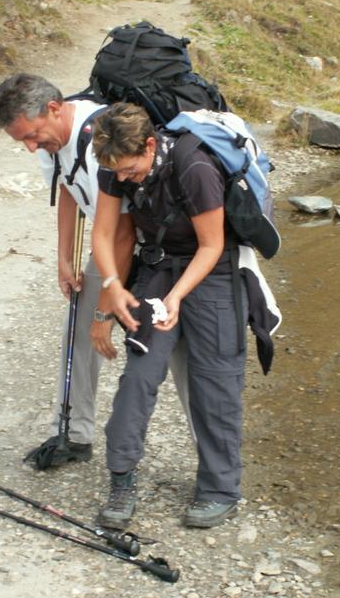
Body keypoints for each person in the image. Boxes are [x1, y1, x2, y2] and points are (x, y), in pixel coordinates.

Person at [0, 74, 191, 466]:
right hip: (109, 245)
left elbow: (122, 232)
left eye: (32, 135)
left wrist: (104, 312)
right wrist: (64, 259)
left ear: (53, 108)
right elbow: (66, 189)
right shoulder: (53, 143)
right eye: (23, 141)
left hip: (158, 253)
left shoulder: (101, 136)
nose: (31, 146)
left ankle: (216, 470)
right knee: (78, 338)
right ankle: (74, 435)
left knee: (179, 355)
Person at [91, 102, 250, 529]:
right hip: (159, 267)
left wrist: (178, 297)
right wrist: (113, 287)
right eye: (117, 173)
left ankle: (219, 488)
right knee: (138, 376)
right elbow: (103, 233)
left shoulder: (194, 166)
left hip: (212, 271)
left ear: (149, 144)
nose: (124, 179)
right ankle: (121, 477)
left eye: (130, 170)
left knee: (216, 378)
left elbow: (212, 245)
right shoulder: (113, 164)